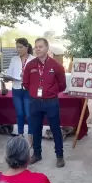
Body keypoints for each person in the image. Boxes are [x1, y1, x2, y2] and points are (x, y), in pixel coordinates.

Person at [22, 38, 66, 168]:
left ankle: (59, 156)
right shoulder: (30, 65)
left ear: (47, 48)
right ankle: (37, 154)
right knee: (36, 129)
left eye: (41, 46)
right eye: (36, 47)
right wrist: (35, 93)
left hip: (51, 102)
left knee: (55, 129)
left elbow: (62, 85)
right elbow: (25, 83)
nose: (38, 49)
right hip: (35, 102)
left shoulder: (56, 66)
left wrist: (50, 92)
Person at [6, 38, 35, 144]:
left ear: (27, 47)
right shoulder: (14, 59)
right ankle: (20, 134)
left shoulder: (33, 60)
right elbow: (9, 73)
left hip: (28, 90)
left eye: (20, 47)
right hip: (16, 89)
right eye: (17, 47)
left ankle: (30, 135)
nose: (18, 49)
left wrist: (27, 77)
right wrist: (8, 77)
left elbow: (36, 76)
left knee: (29, 114)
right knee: (19, 113)